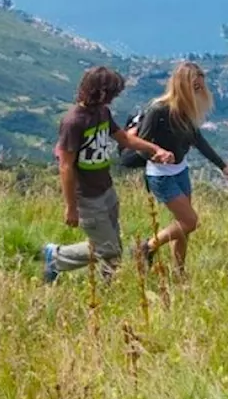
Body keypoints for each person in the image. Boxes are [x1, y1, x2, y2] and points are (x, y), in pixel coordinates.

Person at [44, 66, 174, 285]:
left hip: (106, 190)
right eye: (112, 93)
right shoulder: (73, 122)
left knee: (113, 248)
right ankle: (55, 258)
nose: (114, 99)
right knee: (109, 250)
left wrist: (155, 150)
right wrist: (71, 206)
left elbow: (123, 138)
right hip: (87, 196)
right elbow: (65, 167)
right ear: (100, 92)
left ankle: (107, 288)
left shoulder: (102, 113)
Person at [133, 62, 228, 277]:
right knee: (190, 221)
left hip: (180, 172)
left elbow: (198, 140)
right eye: (195, 87)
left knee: (184, 227)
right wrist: (157, 155)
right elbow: (139, 145)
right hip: (161, 176)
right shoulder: (158, 110)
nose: (199, 91)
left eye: (201, 87)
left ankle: (180, 272)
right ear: (182, 86)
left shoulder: (186, 111)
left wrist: (223, 167)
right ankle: (147, 247)